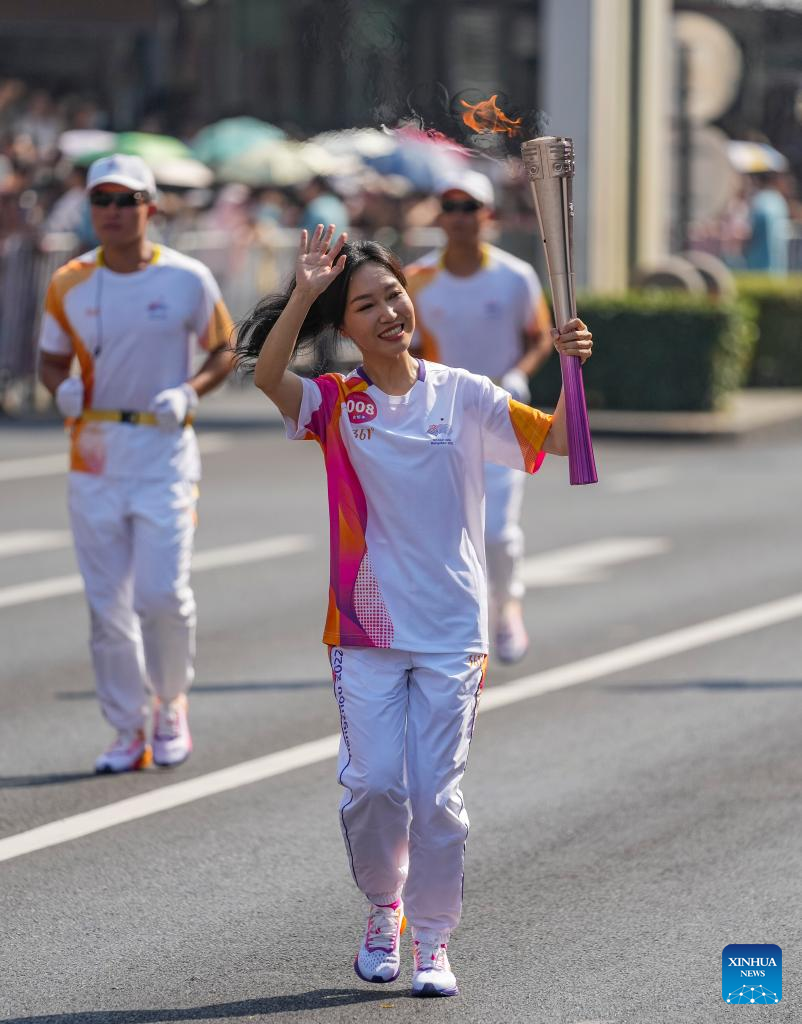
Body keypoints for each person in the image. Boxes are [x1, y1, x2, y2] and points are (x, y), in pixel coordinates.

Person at [235, 224, 592, 997]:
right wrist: (302, 294)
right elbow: (269, 378)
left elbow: (560, 441)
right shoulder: (335, 403)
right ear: (346, 328)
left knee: (437, 796)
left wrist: (570, 364)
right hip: (365, 631)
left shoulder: (463, 393)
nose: (390, 312)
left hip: (453, 631)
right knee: (372, 786)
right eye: (367, 306)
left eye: (394, 294)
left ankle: (433, 941)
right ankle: (384, 908)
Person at [37, 154, 235, 773]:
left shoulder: (186, 278)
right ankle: (127, 728)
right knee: (107, 606)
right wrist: (61, 389)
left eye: (128, 200)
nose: (114, 212)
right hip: (95, 453)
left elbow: (223, 349)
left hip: (164, 451)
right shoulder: (68, 280)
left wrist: (190, 391)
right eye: (103, 201)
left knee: (161, 594)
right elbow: (48, 360)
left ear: (151, 207)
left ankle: (170, 702)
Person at [404, 169, 553, 663]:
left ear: (487, 215)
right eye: (451, 207)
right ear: (440, 216)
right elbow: (405, 348)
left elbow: (541, 335)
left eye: (470, 208)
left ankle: (507, 605)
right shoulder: (417, 280)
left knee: (496, 532)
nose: (461, 218)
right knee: (447, 531)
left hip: (503, 416)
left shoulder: (514, 276)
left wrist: (517, 372)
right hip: (440, 421)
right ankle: (456, 628)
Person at [744, 171, 790, 275]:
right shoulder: (778, 199)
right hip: (775, 257)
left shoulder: (760, 199)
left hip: (759, 256)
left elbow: (752, 227)